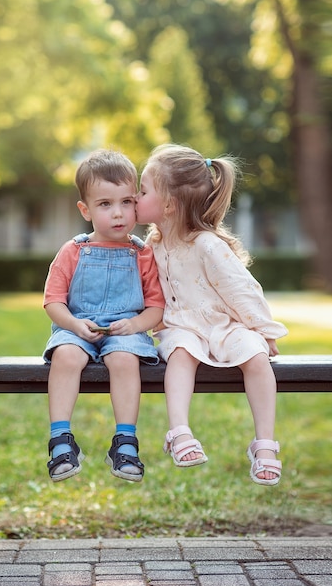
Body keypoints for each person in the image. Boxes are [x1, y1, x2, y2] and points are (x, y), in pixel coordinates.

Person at [136, 143, 288, 486]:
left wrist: (263, 331)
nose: (136, 196)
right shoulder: (152, 245)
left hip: (224, 323)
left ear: (169, 205)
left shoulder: (206, 244)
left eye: (143, 190)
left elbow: (241, 289)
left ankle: (264, 443)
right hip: (181, 326)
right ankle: (179, 431)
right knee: (180, 351)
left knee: (255, 356)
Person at [43, 148, 165, 483]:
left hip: (125, 330)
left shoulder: (142, 254)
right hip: (75, 326)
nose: (118, 214)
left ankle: (125, 441)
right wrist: (73, 324)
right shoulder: (73, 250)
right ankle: (60, 439)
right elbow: (53, 301)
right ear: (85, 209)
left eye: (127, 202)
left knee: (125, 359)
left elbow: (156, 307)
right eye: (105, 204)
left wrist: (136, 324)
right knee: (65, 356)